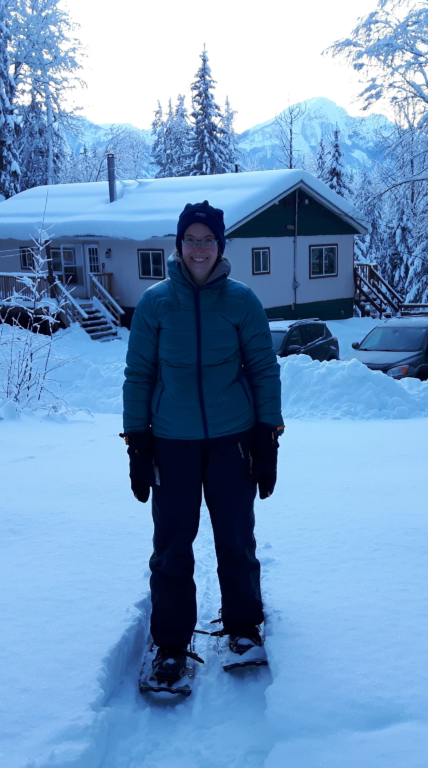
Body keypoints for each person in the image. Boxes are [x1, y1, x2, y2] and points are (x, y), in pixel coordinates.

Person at [121, 200, 283, 685]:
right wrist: (137, 443)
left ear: (220, 245)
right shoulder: (155, 303)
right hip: (172, 444)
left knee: (236, 539)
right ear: (178, 245)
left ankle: (243, 629)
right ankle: (171, 642)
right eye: (191, 239)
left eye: (207, 239)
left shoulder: (241, 301)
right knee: (172, 546)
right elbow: (139, 375)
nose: (199, 249)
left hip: (233, 441)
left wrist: (268, 437)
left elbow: (263, 370)